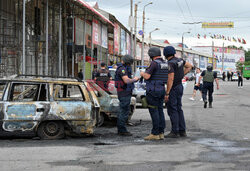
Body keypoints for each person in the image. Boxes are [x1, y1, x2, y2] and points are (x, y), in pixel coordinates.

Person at [164, 46, 192, 138]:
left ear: (165, 54)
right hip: (180, 86)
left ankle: (175, 131)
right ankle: (182, 130)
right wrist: (181, 75)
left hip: (174, 88)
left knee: (173, 109)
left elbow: (170, 78)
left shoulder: (170, 63)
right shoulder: (180, 60)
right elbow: (189, 66)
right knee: (179, 108)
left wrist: (167, 93)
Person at [140, 47, 168, 140]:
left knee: (154, 111)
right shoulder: (164, 63)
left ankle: (155, 133)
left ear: (151, 55)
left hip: (153, 90)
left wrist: (142, 74)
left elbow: (147, 76)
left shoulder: (154, 63)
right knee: (160, 111)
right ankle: (161, 133)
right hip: (161, 90)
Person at [115, 55, 139, 136]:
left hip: (125, 92)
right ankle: (122, 130)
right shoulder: (122, 69)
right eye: (129, 63)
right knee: (124, 111)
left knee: (124, 110)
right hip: (123, 93)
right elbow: (126, 81)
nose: (130, 65)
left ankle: (121, 129)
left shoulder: (124, 68)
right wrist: (135, 79)